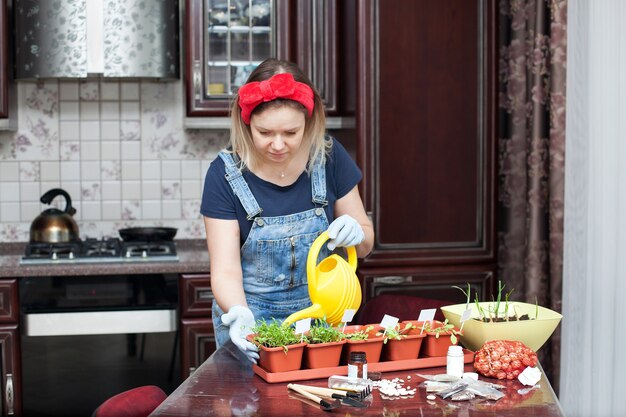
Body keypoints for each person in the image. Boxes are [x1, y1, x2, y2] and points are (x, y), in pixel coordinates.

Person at [201, 58, 374, 363]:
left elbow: (365, 246)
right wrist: (239, 313)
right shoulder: (224, 174)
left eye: (291, 133)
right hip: (252, 322)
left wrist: (356, 234)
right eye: (265, 132)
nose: (278, 145)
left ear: (309, 122)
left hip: (322, 321)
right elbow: (225, 270)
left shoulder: (330, 158)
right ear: (246, 123)